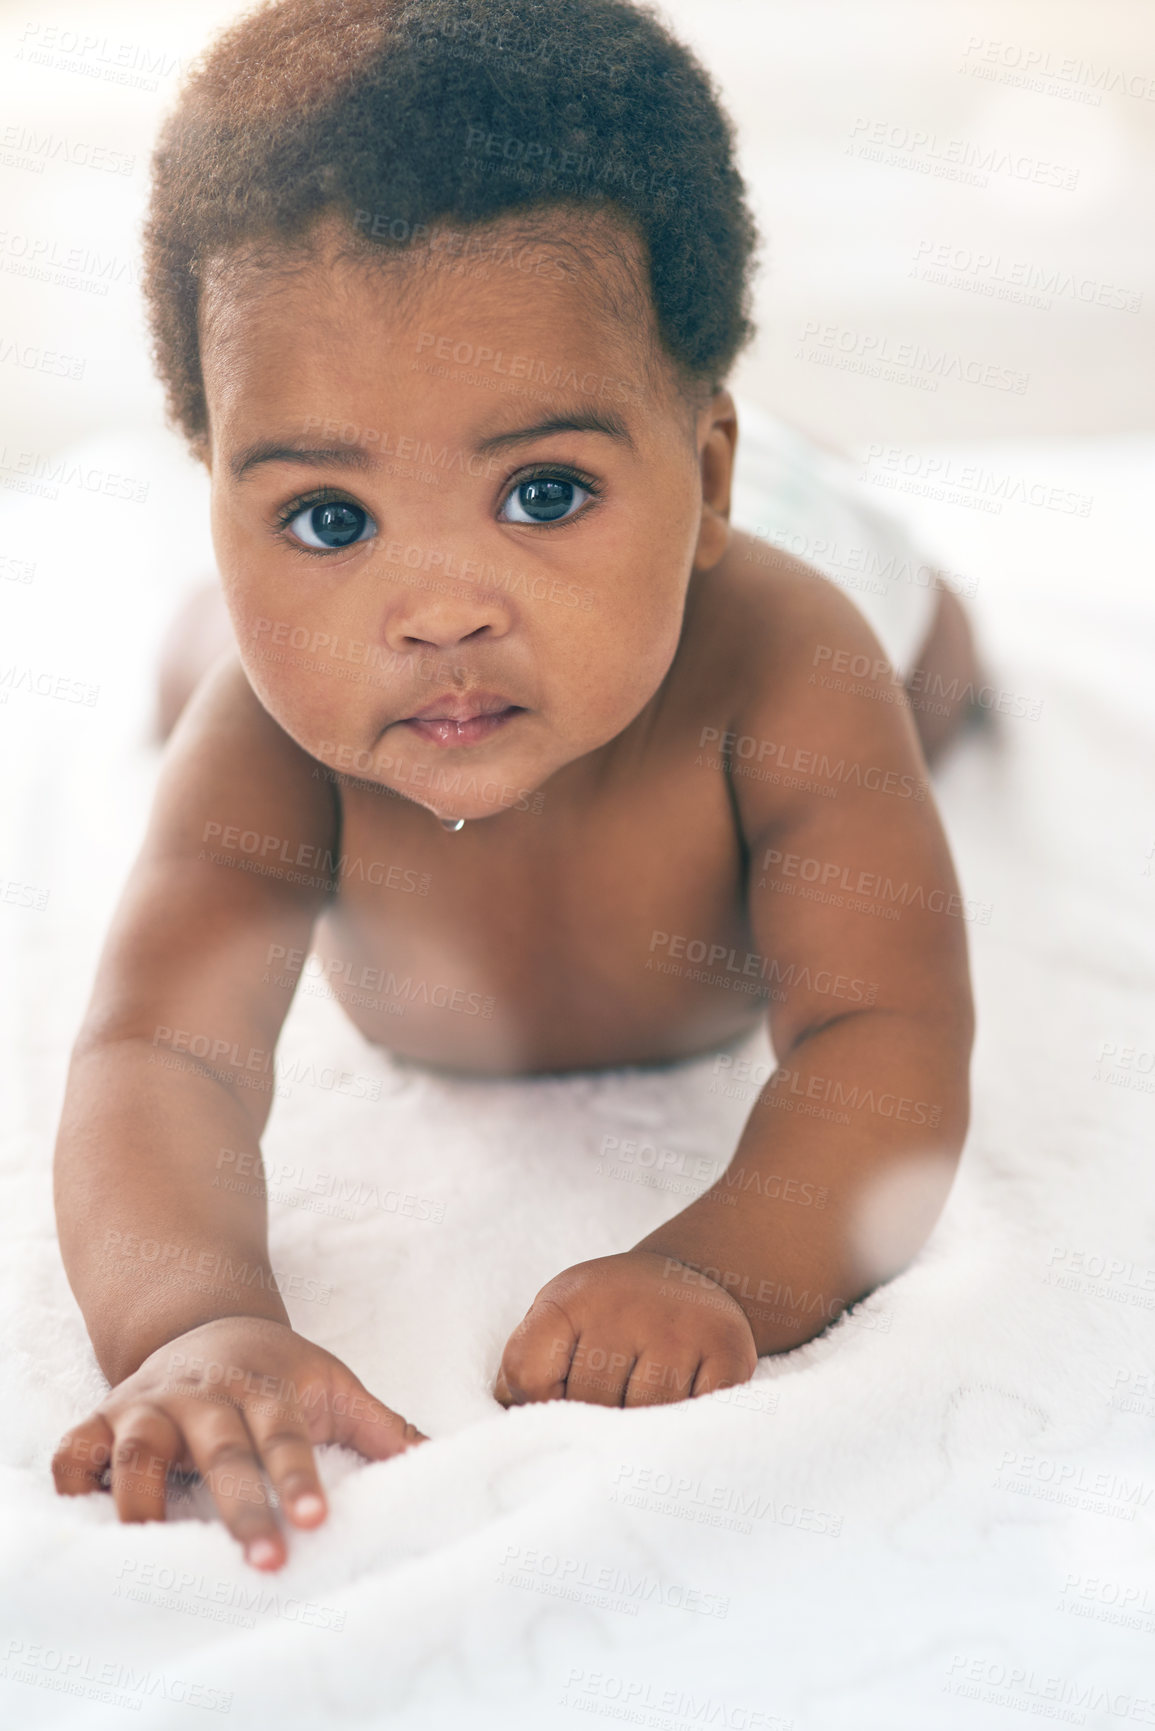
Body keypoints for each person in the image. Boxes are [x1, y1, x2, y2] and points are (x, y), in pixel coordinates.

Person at [52, 0, 979, 1573]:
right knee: (229, 672)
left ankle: (757, 514)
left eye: (541, 491)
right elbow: (160, 1049)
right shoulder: (277, 737)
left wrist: (718, 1268)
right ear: (211, 487)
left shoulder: (782, 670)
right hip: (375, 621)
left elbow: (884, 1032)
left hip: (788, 567)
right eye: (326, 515)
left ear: (704, 479)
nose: (439, 606)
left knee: (933, 665)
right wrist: (193, 1316)